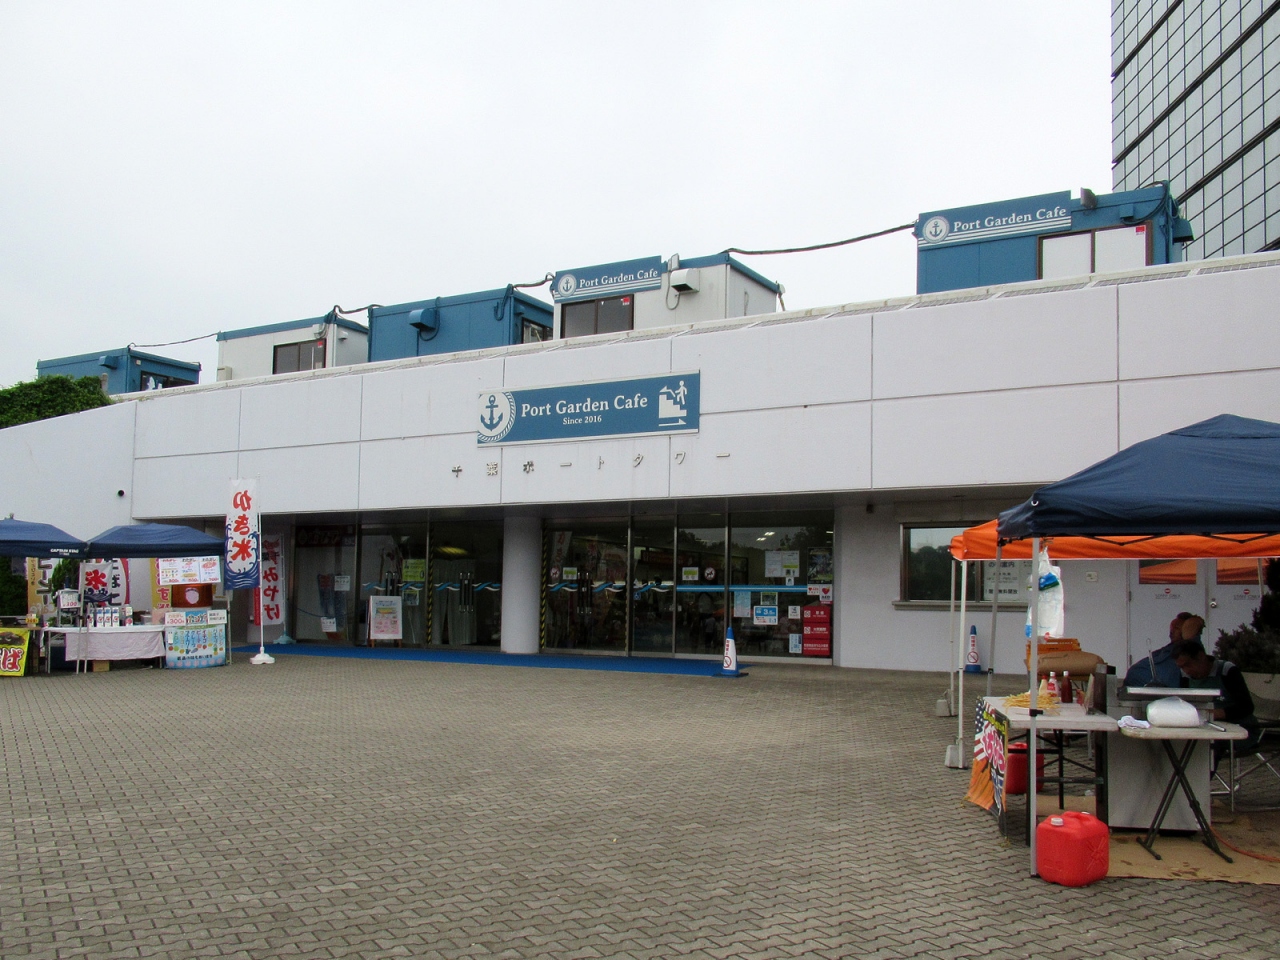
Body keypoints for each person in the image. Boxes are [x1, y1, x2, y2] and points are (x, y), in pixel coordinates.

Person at [1124, 611, 1194, 688]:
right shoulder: (1164, 651)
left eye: (1176, 628)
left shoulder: (1190, 652)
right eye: (1171, 628)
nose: (1172, 631)